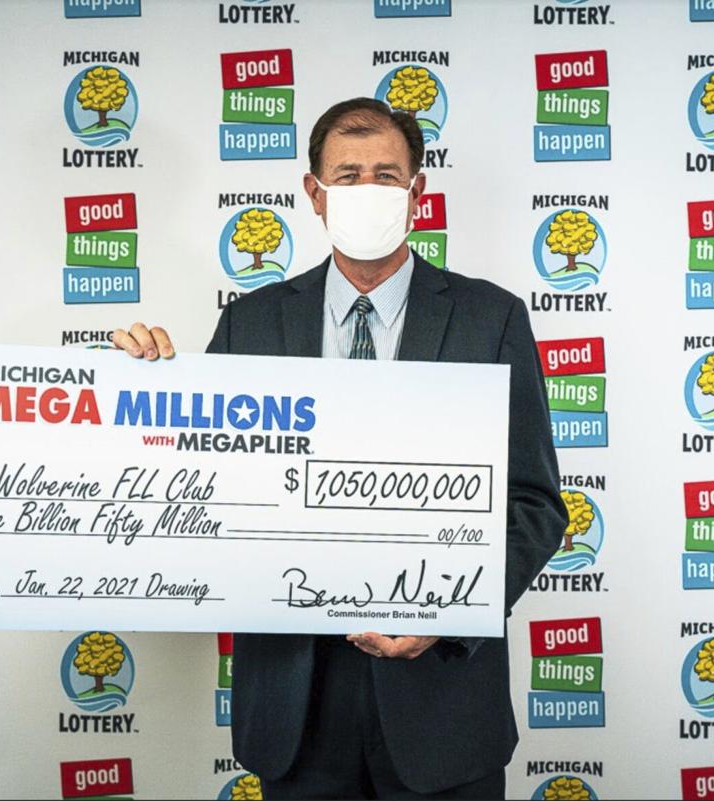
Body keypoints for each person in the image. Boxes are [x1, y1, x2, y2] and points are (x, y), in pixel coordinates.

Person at [113, 97, 566, 801]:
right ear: (314, 193)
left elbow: (534, 502)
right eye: (347, 175)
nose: (367, 190)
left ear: (417, 192)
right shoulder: (251, 323)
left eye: (386, 175)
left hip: (441, 700)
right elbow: (197, 490)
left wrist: (447, 611)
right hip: (296, 702)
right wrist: (136, 388)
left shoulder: (492, 318)